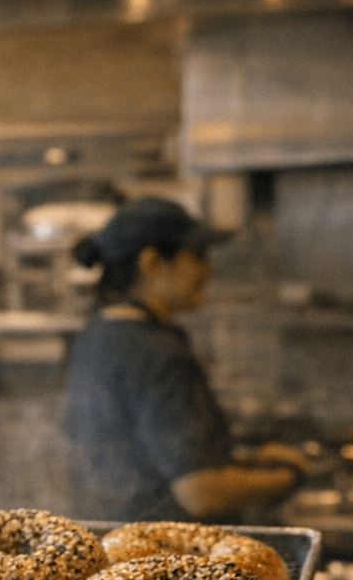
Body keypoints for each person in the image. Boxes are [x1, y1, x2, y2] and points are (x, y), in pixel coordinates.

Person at [63, 196, 308, 522]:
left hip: (121, 540)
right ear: (151, 263)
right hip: (170, 553)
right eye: (198, 255)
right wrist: (291, 475)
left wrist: (248, 462)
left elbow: (142, 457)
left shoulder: (97, 335)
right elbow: (201, 493)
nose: (210, 268)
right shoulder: (156, 352)